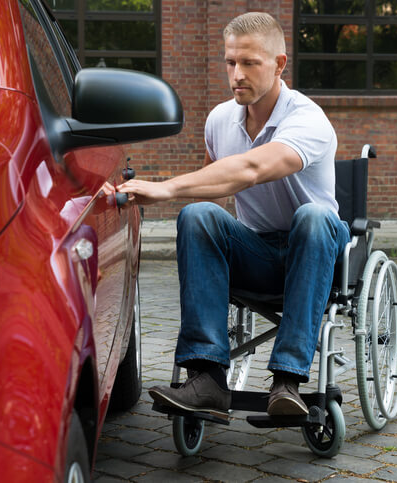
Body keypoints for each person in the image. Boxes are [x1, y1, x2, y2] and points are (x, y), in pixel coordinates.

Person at [110, 12, 350, 419]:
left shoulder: (307, 119)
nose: (237, 74)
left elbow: (251, 169)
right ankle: (206, 379)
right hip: (255, 252)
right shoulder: (220, 120)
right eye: (230, 63)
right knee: (199, 214)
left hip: (312, 254)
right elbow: (214, 188)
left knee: (313, 216)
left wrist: (166, 188)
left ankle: (287, 380)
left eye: (250, 63)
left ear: (278, 65)